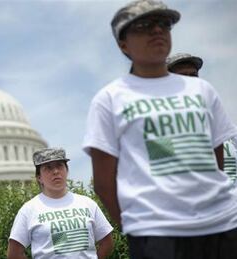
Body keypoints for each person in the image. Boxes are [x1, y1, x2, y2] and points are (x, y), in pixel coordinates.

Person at [83, 0, 237, 258]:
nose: (157, 31)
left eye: (163, 24)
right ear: (123, 44)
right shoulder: (109, 99)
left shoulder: (202, 90)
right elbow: (103, 182)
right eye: (144, 26)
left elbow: (216, 157)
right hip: (156, 234)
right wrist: (134, 226)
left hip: (221, 225)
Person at [7, 148, 113, 259]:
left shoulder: (87, 203)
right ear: (39, 178)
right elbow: (14, 254)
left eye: (59, 165)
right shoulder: (28, 210)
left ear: (66, 171)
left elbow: (107, 243)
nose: (56, 171)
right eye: (48, 168)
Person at [167, 53, 237, 183]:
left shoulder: (229, 133)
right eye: (181, 77)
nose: (190, 82)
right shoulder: (161, 135)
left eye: (193, 76)